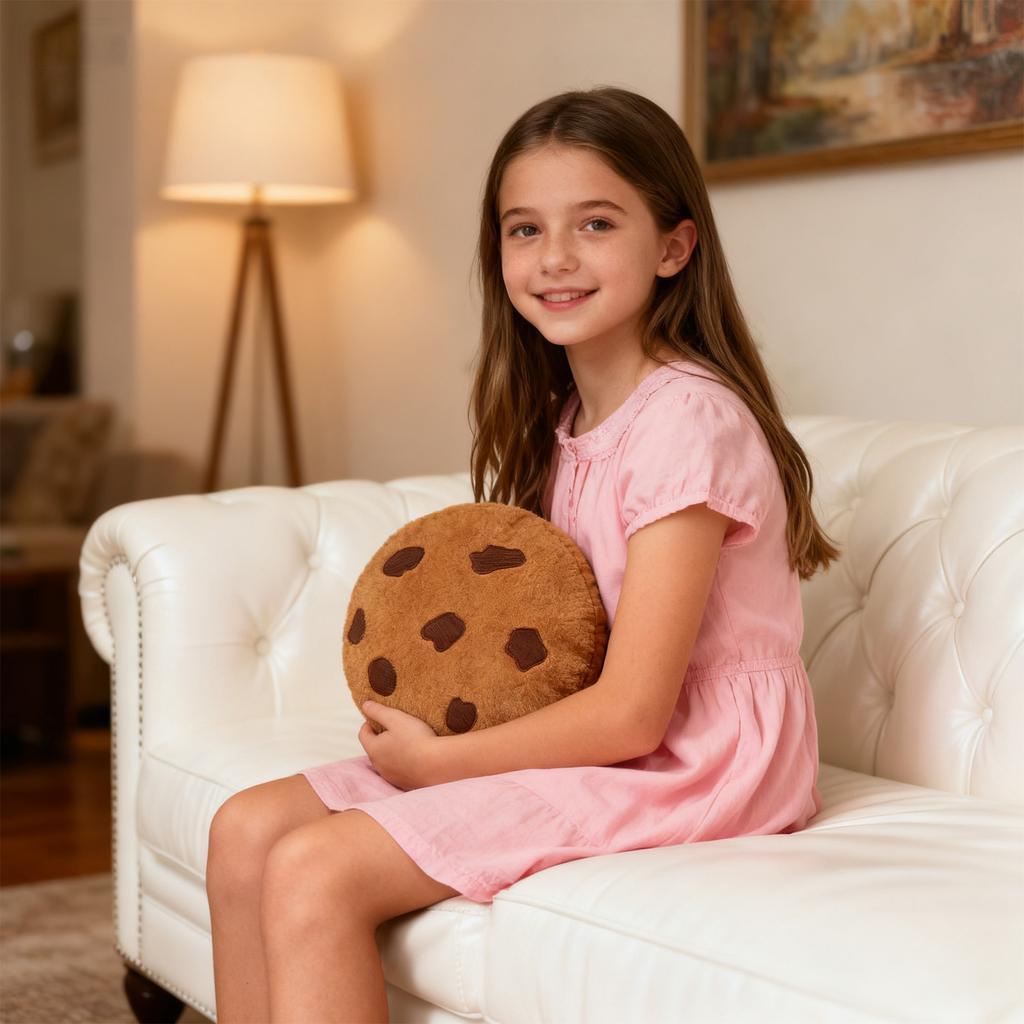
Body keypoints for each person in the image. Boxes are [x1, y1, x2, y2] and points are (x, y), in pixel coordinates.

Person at [205, 85, 841, 1023]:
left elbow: (633, 715)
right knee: (244, 827)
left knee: (317, 869)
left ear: (673, 246)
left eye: (594, 223)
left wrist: (440, 768)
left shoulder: (688, 422)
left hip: (696, 755)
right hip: (608, 730)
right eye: (523, 229)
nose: (554, 259)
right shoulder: (567, 416)